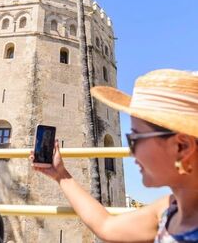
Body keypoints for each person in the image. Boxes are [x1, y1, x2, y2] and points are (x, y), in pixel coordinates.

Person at [31, 69, 198, 242]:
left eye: (134, 138)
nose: (131, 152)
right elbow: (107, 226)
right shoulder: (170, 210)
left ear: (182, 146)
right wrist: (60, 175)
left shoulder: (169, 210)